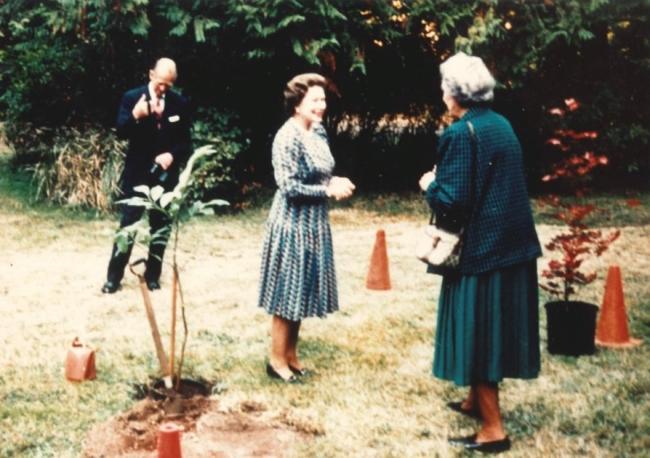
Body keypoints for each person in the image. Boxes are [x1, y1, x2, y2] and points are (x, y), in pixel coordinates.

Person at [418, 52, 542, 454]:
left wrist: (429, 185)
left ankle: (493, 430)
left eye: (443, 87)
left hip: (482, 252)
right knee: (492, 330)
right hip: (513, 246)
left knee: (479, 335)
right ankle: (474, 403)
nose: (441, 93)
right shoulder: (501, 125)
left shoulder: (458, 133)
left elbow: (454, 201)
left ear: (456, 94)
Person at [258, 73, 355, 383]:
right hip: (291, 224)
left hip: (314, 224)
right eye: (314, 100)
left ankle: (291, 354)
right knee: (287, 292)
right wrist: (326, 192)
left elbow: (321, 172)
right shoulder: (286, 137)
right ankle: (276, 361)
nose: (321, 105)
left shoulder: (319, 131)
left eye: (323, 99)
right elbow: (288, 187)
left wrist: (333, 181)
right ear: (297, 105)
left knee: (303, 290)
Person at [101, 57, 192, 294]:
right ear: (151, 75)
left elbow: (185, 143)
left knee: (160, 227)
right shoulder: (132, 97)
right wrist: (136, 116)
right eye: (161, 83)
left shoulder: (179, 103)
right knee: (128, 225)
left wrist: (171, 156)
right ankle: (113, 278)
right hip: (137, 175)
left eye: (168, 85)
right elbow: (121, 132)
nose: (163, 89)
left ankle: (153, 276)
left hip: (164, 177)